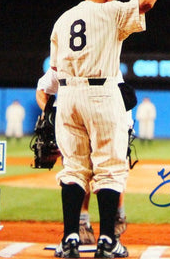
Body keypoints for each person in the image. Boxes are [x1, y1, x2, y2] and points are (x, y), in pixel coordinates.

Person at [42, 0, 167, 258]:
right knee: (110, 168)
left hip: (68, 96)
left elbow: (55, 69)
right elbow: (147, 2)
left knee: (73, 169)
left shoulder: (63, 19)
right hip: (101, 93)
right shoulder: (112, 10)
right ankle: (108, 240)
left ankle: (70, 238)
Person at [36, 67, 131, 246]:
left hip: (109, 117)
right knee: (84, 170)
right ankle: (84, 224)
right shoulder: (65, 62)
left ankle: (116, 215)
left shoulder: (106, 62)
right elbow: (43, 88)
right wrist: (50, 115)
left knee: (109, 170)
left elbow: (126, 98)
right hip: (76, 120)